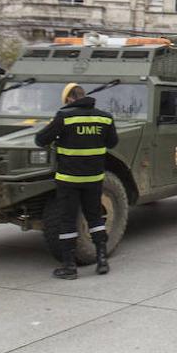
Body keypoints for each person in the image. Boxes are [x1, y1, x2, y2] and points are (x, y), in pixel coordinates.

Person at [35, 83, 118, 279]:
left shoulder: (64, 117)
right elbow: (112, 142)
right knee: (95, 218)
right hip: (94, 178)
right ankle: (102, 260)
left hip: (69, 180)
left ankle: (69, 266)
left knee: (67, 221)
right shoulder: (105, 118)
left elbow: (40, 140)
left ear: (70, 99)